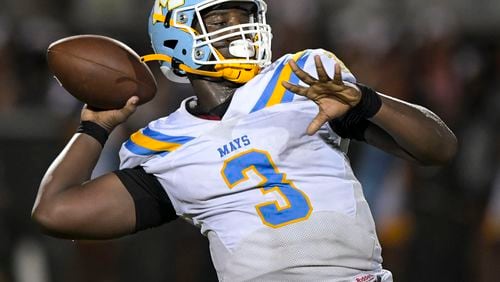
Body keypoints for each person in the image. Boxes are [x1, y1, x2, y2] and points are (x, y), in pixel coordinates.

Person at [32, 0, 457, 281]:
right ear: (176, 37)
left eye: (244, 18)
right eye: (220, 20)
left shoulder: (301, 79)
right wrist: (95, 126)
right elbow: (55, 211)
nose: (240, 30)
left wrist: (368, 102)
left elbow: (439, 148)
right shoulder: (164, 146)